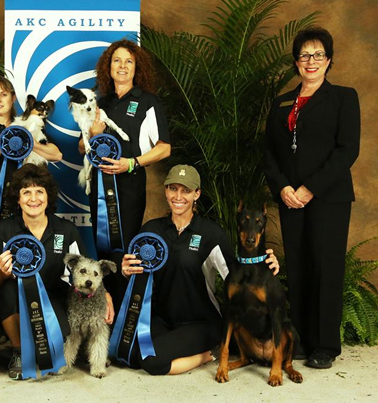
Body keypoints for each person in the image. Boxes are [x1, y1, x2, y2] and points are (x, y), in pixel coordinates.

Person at [119, 165, 279, 375]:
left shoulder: (212, 234)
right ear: (166, 191)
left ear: (197, 194)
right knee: (128, 354)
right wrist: (126, 270)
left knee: (152, 362)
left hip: (200, 322)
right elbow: (137, 273)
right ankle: (174, 346)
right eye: (173, 188)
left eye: (186, 190)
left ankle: (208, 354)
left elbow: (238, 274)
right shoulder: (151, 230)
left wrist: (266, 263)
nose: (178, 196)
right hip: (162, 319)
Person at [263, 27, 360, 369]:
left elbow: (347, 150)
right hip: (290, 199)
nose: (311, 61)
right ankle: (301, 340)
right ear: (296, 62)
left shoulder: (344, 98)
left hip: (328, 198)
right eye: (305, 55)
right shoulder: (281, 102)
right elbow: (270, 153)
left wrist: (309, 188)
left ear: (329, 60)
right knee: (300, 267)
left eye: (318, 54)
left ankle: (326, 346)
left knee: (325, 268)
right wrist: (284, 188)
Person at [0, 163, 114, 380]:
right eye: (26, 192)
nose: (33, 198)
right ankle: (19, 352)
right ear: (17, 199)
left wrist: (105, 295)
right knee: (7, 291)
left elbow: (88, 270)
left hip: (54, 298)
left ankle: (42, 348)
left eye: (40, 191)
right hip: (16, 299)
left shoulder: (65, 230)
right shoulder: (4, 230)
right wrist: (3, 273)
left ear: (48, 197)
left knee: (58, 341)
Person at [77, 39, 171, 309]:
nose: (122, 66)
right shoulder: (98, 102)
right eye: (117, 60)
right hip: (98, 187)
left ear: (136, 67)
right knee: (104, 253)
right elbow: (82, 146)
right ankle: (108, 314)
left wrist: (131, 163)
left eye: (129, 61)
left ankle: (128, 318)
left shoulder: (147, 102)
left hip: (128, 186)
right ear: (108, 66)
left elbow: (164, 148)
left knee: (127, 250)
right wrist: (92, 136)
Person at [0, 77, 62, 238]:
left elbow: (56, 154)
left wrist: (27, 141)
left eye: (3, 94)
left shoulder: (26, 125)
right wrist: (5, 142)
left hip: (29, 203)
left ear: (13, 99)